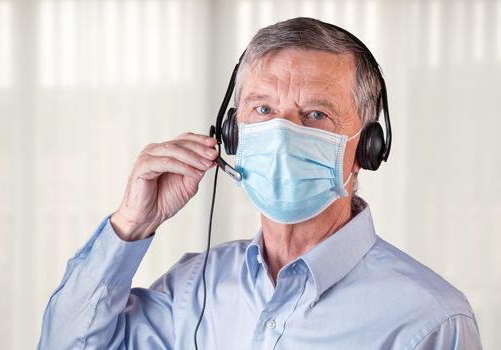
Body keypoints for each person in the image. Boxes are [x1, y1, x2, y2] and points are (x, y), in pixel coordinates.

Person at [38, 17, 482, 349]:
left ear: (366, 148)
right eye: (264, 110)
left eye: (316, 114)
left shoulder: (432, 320)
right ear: (232, 134)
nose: (284, 134)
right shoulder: (195, 286)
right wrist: (129, 227)